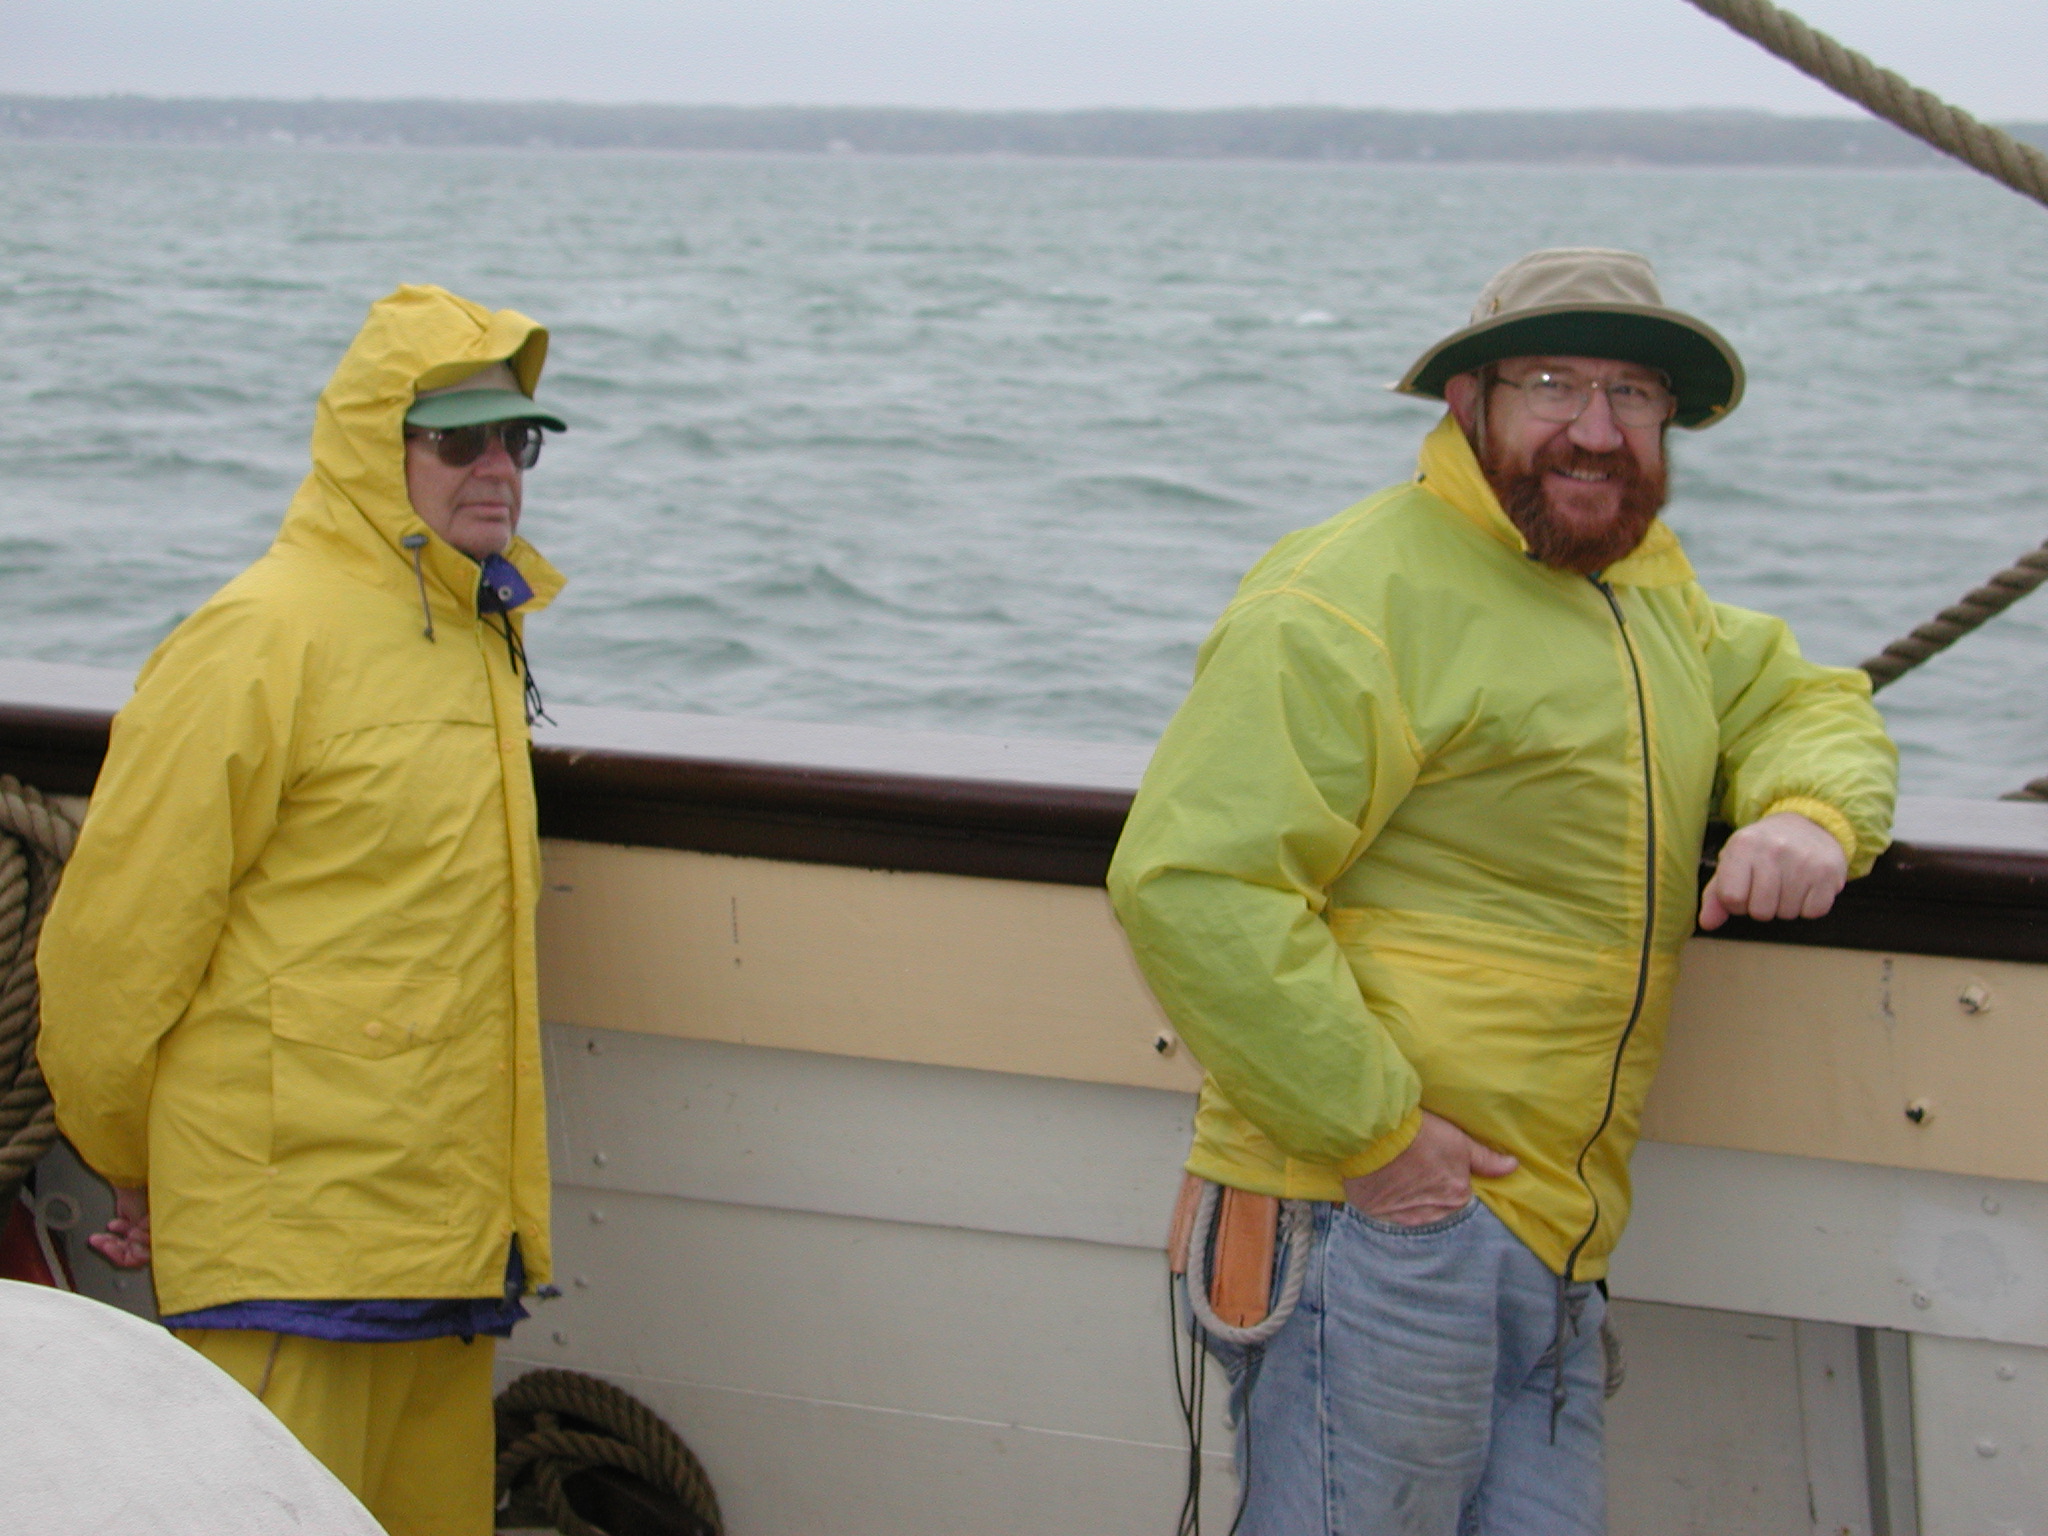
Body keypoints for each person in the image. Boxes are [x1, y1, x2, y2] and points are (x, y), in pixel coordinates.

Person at [1108, 248, 1896, 1535]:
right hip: (1377, 1218)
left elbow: (1806, 700)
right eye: (1550, 384)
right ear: (1465, 403)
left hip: (1550, 1233)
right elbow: (1190, 880)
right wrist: (1379, 1144)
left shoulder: (1643, 598)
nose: (1595, 428)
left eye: (1631, 392)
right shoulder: (1351, 592)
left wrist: (1810, 814)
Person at [36, 283, 568, 1536]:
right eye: (457, 441)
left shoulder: (477, 635)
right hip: (290, 1254)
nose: (495, 468)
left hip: (447, 1248)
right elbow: (115, 942)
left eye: (518, 440)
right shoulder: (259, 637)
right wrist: (128, 1160)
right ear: (378, 446)